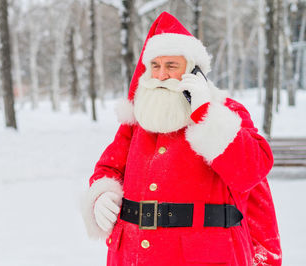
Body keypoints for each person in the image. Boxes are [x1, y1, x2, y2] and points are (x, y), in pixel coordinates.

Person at [81, 12, 282, 266]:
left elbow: (251, 173)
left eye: (171, 66)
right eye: (155, 66)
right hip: (132, 257)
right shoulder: (137, 122)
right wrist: (100, 195)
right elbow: (108, 168)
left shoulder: (226, 113)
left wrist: (205, 115)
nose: (161, 75)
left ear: (193, 70)